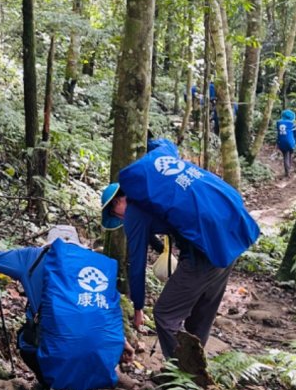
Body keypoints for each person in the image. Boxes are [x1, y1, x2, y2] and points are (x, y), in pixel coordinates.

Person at [100, 144, 259, 360]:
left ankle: (184, 373)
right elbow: (152, 235)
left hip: (205, 251)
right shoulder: (155, 188)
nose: (120, 219)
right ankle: (193, 379)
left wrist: (138, 307)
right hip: (229, 235)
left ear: (118, 201)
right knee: (199, 318)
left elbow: (136, 264)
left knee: (165, 315)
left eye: (115, 214)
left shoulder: (134, 211)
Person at [0, 217, 131, 390]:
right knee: (88, 334)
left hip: (54, 348)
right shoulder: (99, 263)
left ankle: (48, 389)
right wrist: (123, 341)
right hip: (101, 350)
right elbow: (103, 310)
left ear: (49, 244)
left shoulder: (34, 257)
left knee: (27, 339)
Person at [276, 108, 296, 178]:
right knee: (289, 155)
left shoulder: (278, 123)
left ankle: (287, 172)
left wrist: (277, 143)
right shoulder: (293, 124)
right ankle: (288, 172)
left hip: (281, 142)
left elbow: (278, 134)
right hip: (290, 142)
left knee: (285, 156)